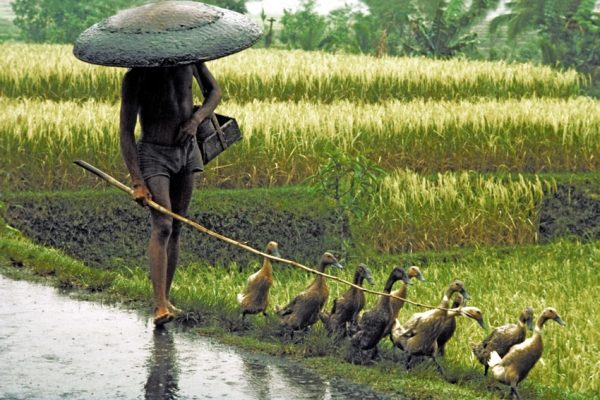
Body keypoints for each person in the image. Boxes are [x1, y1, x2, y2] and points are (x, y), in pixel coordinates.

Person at [119, 62, 221, 325]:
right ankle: (159, 305)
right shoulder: (136, 76)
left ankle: (166, 297)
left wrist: (196, 120)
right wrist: (137, 180)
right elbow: (126, 131)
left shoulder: (191, 59)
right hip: (154, 154)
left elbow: (214, 92)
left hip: (187, 151)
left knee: (176, 226)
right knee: (162, 225)